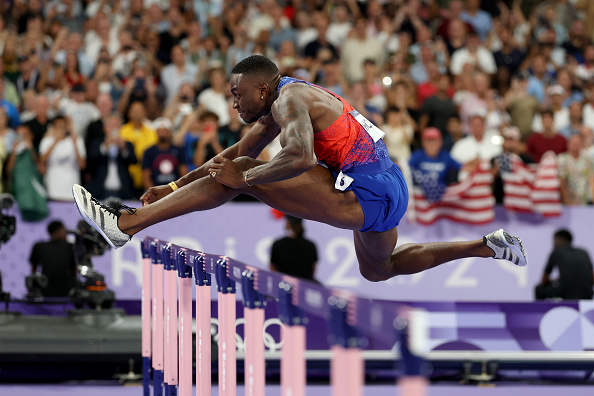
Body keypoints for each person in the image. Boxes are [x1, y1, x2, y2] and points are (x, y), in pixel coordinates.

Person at [73, 55, 527, 284]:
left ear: (264, 88)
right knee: (379, 269)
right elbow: (229, 155)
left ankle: (126, 226)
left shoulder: (290, 101)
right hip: (387, 187)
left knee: (245, 171)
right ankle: (486, 246)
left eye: (237, 95)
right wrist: (175, 184)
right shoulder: (280, 103)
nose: (233, 103)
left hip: (368, 191)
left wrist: (247, 179)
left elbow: (300, 159)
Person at [535, 229, 593, 300]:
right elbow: (592, 278)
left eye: (554, 241)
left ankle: (540, 310)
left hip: (565, 292)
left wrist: (554, 281)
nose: (553, 244)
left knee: (538, 289)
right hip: (587, 294)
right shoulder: (584, 252)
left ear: (560, 240)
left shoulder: (556, 252)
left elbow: (544, 280)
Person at [29, 220, 77, 298]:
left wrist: (33, 288)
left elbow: (34, 270)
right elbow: (74, 269)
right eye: (65, 231)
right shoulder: (70, 247)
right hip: (66, 290)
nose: (66, 234)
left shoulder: (39, 246)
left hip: (44, 289)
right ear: (59, 230)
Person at [142, 118, 188, 190]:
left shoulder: (179, 150)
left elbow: (184, 174)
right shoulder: (149, 152)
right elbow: (146, 177)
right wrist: (154, 193)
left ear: (170, 132)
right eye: (160, 131)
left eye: (165, 131)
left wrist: (177, 191)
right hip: (155, 191)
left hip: (175, 191)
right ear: (156, 132)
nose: (162, 134)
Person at [270, 215, 318, 282]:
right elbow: (313, 269)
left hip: (283, 285)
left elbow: (273, 267)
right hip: (305, 285)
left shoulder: (278, 244)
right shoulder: (311, 245)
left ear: (289, 223)